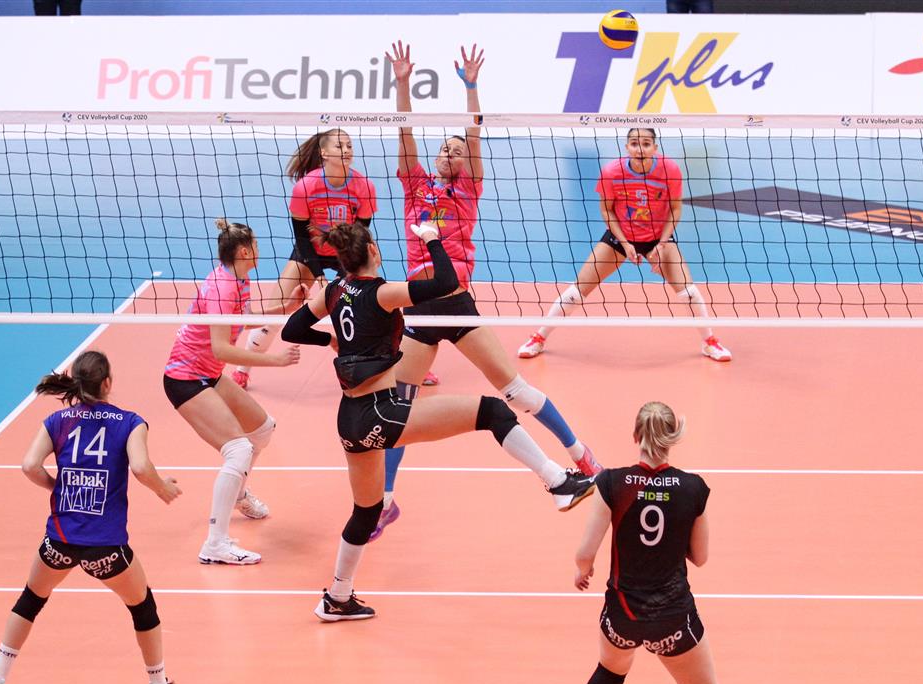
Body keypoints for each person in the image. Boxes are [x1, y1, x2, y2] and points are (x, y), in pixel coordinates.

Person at [281, 221, 596, 622]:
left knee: (366, 511)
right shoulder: (384, 293)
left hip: (351, 419)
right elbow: (445, 282)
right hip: (383, 412)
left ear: (343, 260)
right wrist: (432, 240)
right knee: (492, 411)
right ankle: (558, 483)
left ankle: (338, 597)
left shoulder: (333, 292)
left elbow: (292, 328)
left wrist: (330, 339)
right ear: (373, 250)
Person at [371, 41, 601, 543]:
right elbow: (404, 130)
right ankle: (384, 503)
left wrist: (471, 87)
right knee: (397, 408)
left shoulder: (468, 188)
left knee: (515, 391)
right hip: (419, 308)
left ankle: (580, 455)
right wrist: (402, 82)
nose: (450, 153)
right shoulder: (414, 186)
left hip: (457, 303)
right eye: (444, 149)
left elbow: (475, 132)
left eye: (456, 151)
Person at [558, 401, 786, 684]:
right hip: (673, 619)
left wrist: (582, 571)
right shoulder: (693, 488)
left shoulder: (611, 483)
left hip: (622, 615)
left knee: (608, 675)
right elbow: (700, 557)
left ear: (635, 436)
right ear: (673, 439)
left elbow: (584, 552)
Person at [0, 351, 188, 684]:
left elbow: (29, 465)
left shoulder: (57, 421)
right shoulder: (130, 422)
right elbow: (141, 467)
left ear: (77, 382)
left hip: (60, 541)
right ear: (107, 383)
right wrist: (162, 487)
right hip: (106, 548)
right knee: (142, 606)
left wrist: (57, 486)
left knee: (31, 600)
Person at [518, 128, 729, 362]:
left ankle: (709, 342)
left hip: (658, 237)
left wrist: (662, 244)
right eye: (634, 143)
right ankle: (539, 337)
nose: (640, 149)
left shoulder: (670, 170)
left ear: (655, 148)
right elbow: (606, 210)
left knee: (689, 293)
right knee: (577, 292)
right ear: (627, 147)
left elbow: (676, 209)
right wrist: (625, 243)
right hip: (620, 236)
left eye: (646, 143)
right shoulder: (612, 172)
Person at [164, 219, 298, 566]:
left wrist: (283, 311)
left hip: (208, 374)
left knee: (262, 430)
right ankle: (215, 544)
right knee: (238, 450)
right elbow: (222, 348)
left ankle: (237, 493)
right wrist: (275, 361)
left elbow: (242, 318)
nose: (259, 250)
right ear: (243, 251)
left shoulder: (238, 279)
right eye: (255, 245)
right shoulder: (224, 288)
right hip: (186, 378)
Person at [229, 128, 376, 389]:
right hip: (310, 251)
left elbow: (360, 234)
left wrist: (346, 275)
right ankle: (242, 370)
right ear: (324, 152)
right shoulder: (306, 187)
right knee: (277, 309)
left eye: (349, 145)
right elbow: (302, 237)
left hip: (347, 250)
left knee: (367, 309)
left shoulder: (364, 186)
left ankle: (389, 364)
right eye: (340, 146)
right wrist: (318, 274)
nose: (347, 150)